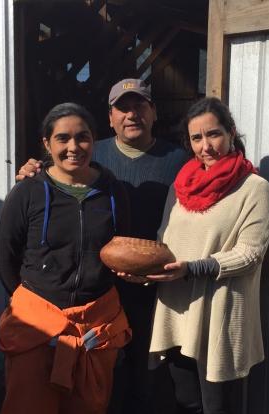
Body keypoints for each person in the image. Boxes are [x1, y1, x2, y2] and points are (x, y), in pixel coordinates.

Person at [16, 79, 188, 414]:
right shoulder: (93, 154)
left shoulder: (178, 160)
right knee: (98, 379)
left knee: (148, 376)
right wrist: (31, 170)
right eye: (122, 107)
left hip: (155, 292)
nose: (131, 114)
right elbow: (55, 177)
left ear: (153, 112)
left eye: (140, 105)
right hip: (99, 292)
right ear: (110, 117)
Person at [134, 97, 269, 414]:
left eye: (213, 134)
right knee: (185, 404)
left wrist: (193, 268)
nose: (205, 146)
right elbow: (164, 239)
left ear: (231, 132)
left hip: (219, 316)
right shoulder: (181, 185)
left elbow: (250, 254)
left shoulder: (254, 188)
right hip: (178, 312)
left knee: (218, 408)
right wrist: (146, 270)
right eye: (196, 138)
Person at [0, 103, 132, 414]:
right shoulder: (28, 192)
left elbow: (122, 250)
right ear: (46, 143)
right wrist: (38, 303)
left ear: (94, 140)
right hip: (36, 330)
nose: (74, 147)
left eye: (82, 137)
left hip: (95, 329)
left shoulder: (113, 193)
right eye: (63, 138)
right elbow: (4, 258)